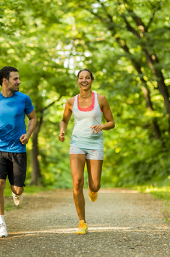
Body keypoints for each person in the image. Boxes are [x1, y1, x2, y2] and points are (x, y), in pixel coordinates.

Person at [0, 66, 37, 238]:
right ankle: (1, 224)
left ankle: (16, 193)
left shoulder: (24, 99)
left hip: (18, 149)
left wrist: (28, 134)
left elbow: (33, 118)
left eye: (19, 79)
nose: (19, 82)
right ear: (5, 81)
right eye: (15, 79)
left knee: (17, 189)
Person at [58, 68, 115, 235]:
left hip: (95, 144)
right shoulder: (71, 102)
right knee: (77, 182)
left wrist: (102, 126)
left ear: (92, 80)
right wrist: (62, 131)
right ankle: (82, 222)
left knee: (95, 185)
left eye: (87, 78)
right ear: (77, 81)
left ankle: (93, 189)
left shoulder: (101, 99)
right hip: (77, 143)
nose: (84, 80)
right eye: (81, 78)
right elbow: (64, 120)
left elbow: (111, 122)